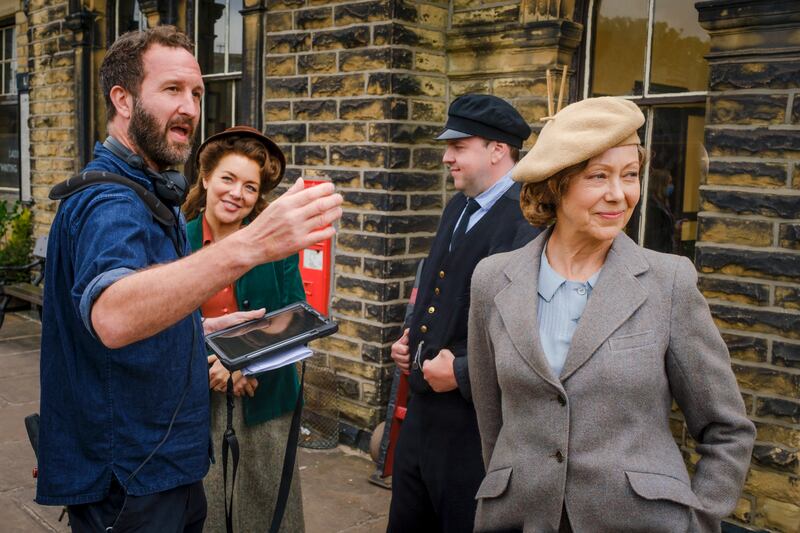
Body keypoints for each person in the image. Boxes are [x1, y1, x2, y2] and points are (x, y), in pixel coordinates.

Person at [36, 27, 341, 532]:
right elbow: (113, 315)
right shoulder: (110, 202)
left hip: (168, 465)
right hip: (132, 479)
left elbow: (142, 321)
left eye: (197, 93)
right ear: (123, 100)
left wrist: (201, 331)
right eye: (172, 89)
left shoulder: (153, 192)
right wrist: (252, 244)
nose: (190, 107)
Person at [468, 96, 755, 532]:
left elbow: (727, 428)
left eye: (631, 175)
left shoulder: (668, 283)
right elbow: (493, 423)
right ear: (555, 185)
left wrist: (697, 520)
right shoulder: (492, 280)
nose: (619, 194)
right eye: (598, 176)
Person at [387, 94, 540, 533]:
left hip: (473, 426)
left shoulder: (526, 222)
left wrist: (462, 373)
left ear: (497, 150)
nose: (446, 157)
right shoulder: (458, 205)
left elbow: (531, 334)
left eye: (458, 146)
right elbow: (438, 287)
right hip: (422, 414)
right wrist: (410, 338)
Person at [182, 126, 305, 532]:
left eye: (250, 187)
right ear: (206, 178)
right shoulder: (174, 239)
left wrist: (242, 363)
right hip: (195, 399)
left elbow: (294, 319)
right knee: (207, 512)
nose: (237, 194)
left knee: (266, 510)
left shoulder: (277, 244)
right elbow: (161, 323)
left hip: (265, 397)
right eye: (228, 179)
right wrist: (212, 365)